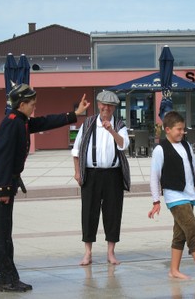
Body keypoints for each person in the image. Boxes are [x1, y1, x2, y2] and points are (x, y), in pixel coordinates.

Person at [0, 83, 89, 293]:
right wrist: (3, 189)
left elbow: (44, 122)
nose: (34, 108)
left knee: (5, 234)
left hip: (6, 183)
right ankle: (2, 280)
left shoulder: (20, 120)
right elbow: (2, 156)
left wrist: (73, 115)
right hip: (0, 185)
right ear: (22, 104)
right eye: (32, 104)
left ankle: (8, 277)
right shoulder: (12, 122)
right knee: (1, 235)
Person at [147, 111, 195, 282]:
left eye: (183, 129)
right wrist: (156, 201)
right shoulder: (160, 149)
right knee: (192, 231)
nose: (182, 132)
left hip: (189, 195)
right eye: (179, 129)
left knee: (180, 234)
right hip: (174, 197)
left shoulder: (186, 146)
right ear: (167, 129)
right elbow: (154, 176)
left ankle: (174, 270)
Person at [72, 90, 130, 266]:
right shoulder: (88, 123)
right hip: (91, 174)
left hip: (113, 175)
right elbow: (76, 150)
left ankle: (111, 252)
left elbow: (124, 145)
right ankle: (88, 252)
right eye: (104, 105)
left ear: (114, 108)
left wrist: (112, 130)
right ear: (98, 105)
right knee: (89, 212)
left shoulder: (119, 125)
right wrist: (77, 172)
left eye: (110, 106)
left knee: (113, 213)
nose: (107, 108)